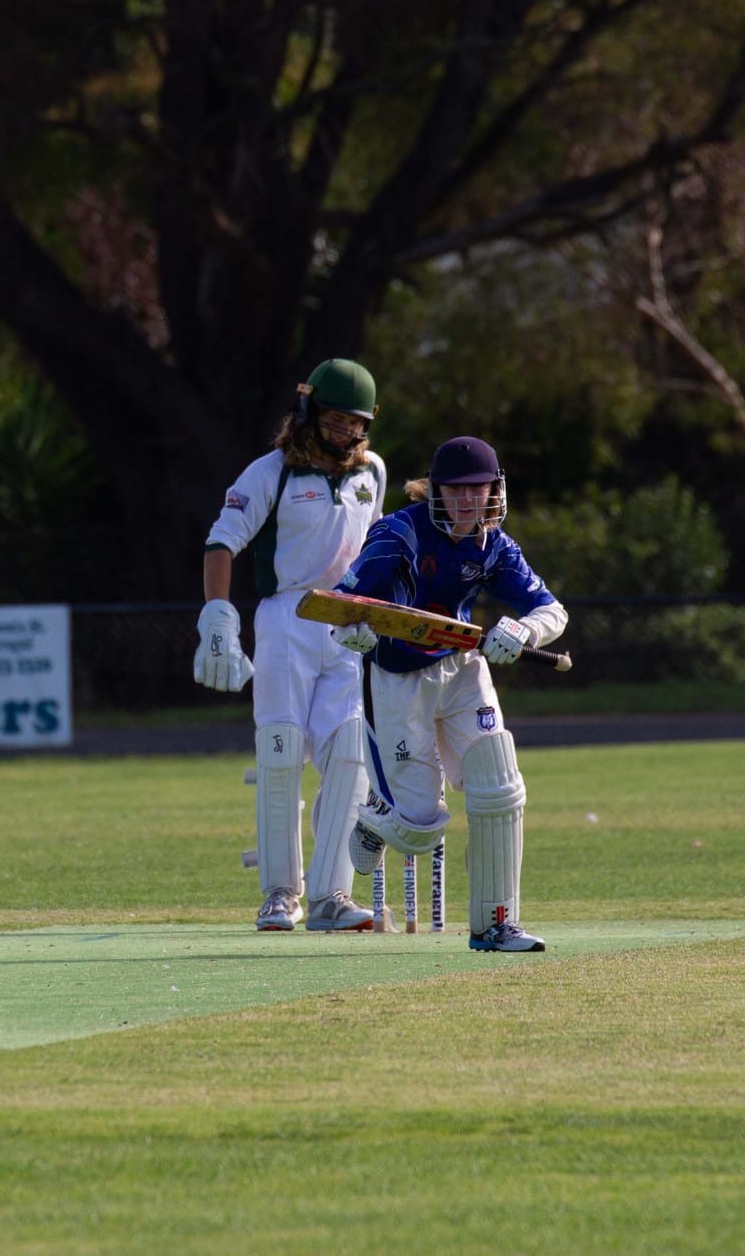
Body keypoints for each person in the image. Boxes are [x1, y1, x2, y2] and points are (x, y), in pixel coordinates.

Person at [332, 436, 568, 953]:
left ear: (493, 491)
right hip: (396, 678)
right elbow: (345, 601)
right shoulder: (399, 533)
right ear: (436, 491)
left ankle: (495, 924)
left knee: (498, 785)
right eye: (455, 490)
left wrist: (525, 632)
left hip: (461, 666)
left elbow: (552, 609)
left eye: (477, 489)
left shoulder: (495, 546)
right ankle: (378, 814)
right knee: (419, 831)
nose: (467, 501)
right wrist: (353, 628)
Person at [198, 359, 388, 932]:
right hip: (287, 614)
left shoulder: (371, 473)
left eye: (353, 423)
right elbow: (221, 542)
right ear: (309, 412)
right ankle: (281, 894)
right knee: (281, 750)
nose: (343, 432)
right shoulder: (273, 471)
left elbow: (375, 550)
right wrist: (217, 617)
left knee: (351, 752)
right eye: (333, 419)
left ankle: (332, 897)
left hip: (349, 621)